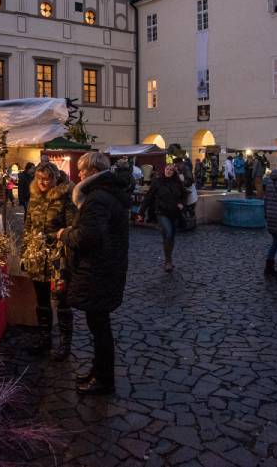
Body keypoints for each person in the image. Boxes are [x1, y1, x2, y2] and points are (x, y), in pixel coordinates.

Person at [57, 152, 130, 395]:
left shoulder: (97, 198)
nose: (79, 174)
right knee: (99, 325)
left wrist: (65, 234)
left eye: (83, 170)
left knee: (99, 327)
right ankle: (98, 372)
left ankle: (104, 380)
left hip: (98, 269)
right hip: (106, 268)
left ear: (93, 172)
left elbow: (88, 237)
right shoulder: (107, 194)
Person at [21, 162, 77, 360]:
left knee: (61, 299)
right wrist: (25, 251)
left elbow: (72, 227)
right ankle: (44, 338)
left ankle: (64, 343)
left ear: (55, 178)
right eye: (40, 178)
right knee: (41, 299)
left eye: (48, 178)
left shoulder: (65, 198)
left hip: (58, 256)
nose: (44, 182)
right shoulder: (34, 197)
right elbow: (28, 225)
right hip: (37, 255)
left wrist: (59, 238)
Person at [140, 162, 187, 273]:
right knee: (168, 233)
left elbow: (184, 195)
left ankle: (168, 258)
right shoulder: (157, 182)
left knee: (171, 236)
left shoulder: (178, 183)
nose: (169, 171)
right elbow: (149, 197)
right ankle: (168, 261)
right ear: (164, 170)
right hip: (161, 212)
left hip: (174, 213)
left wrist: (182, 204)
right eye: (167, 169)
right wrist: (141, 212)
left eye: (171, 169)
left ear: (174, 172)